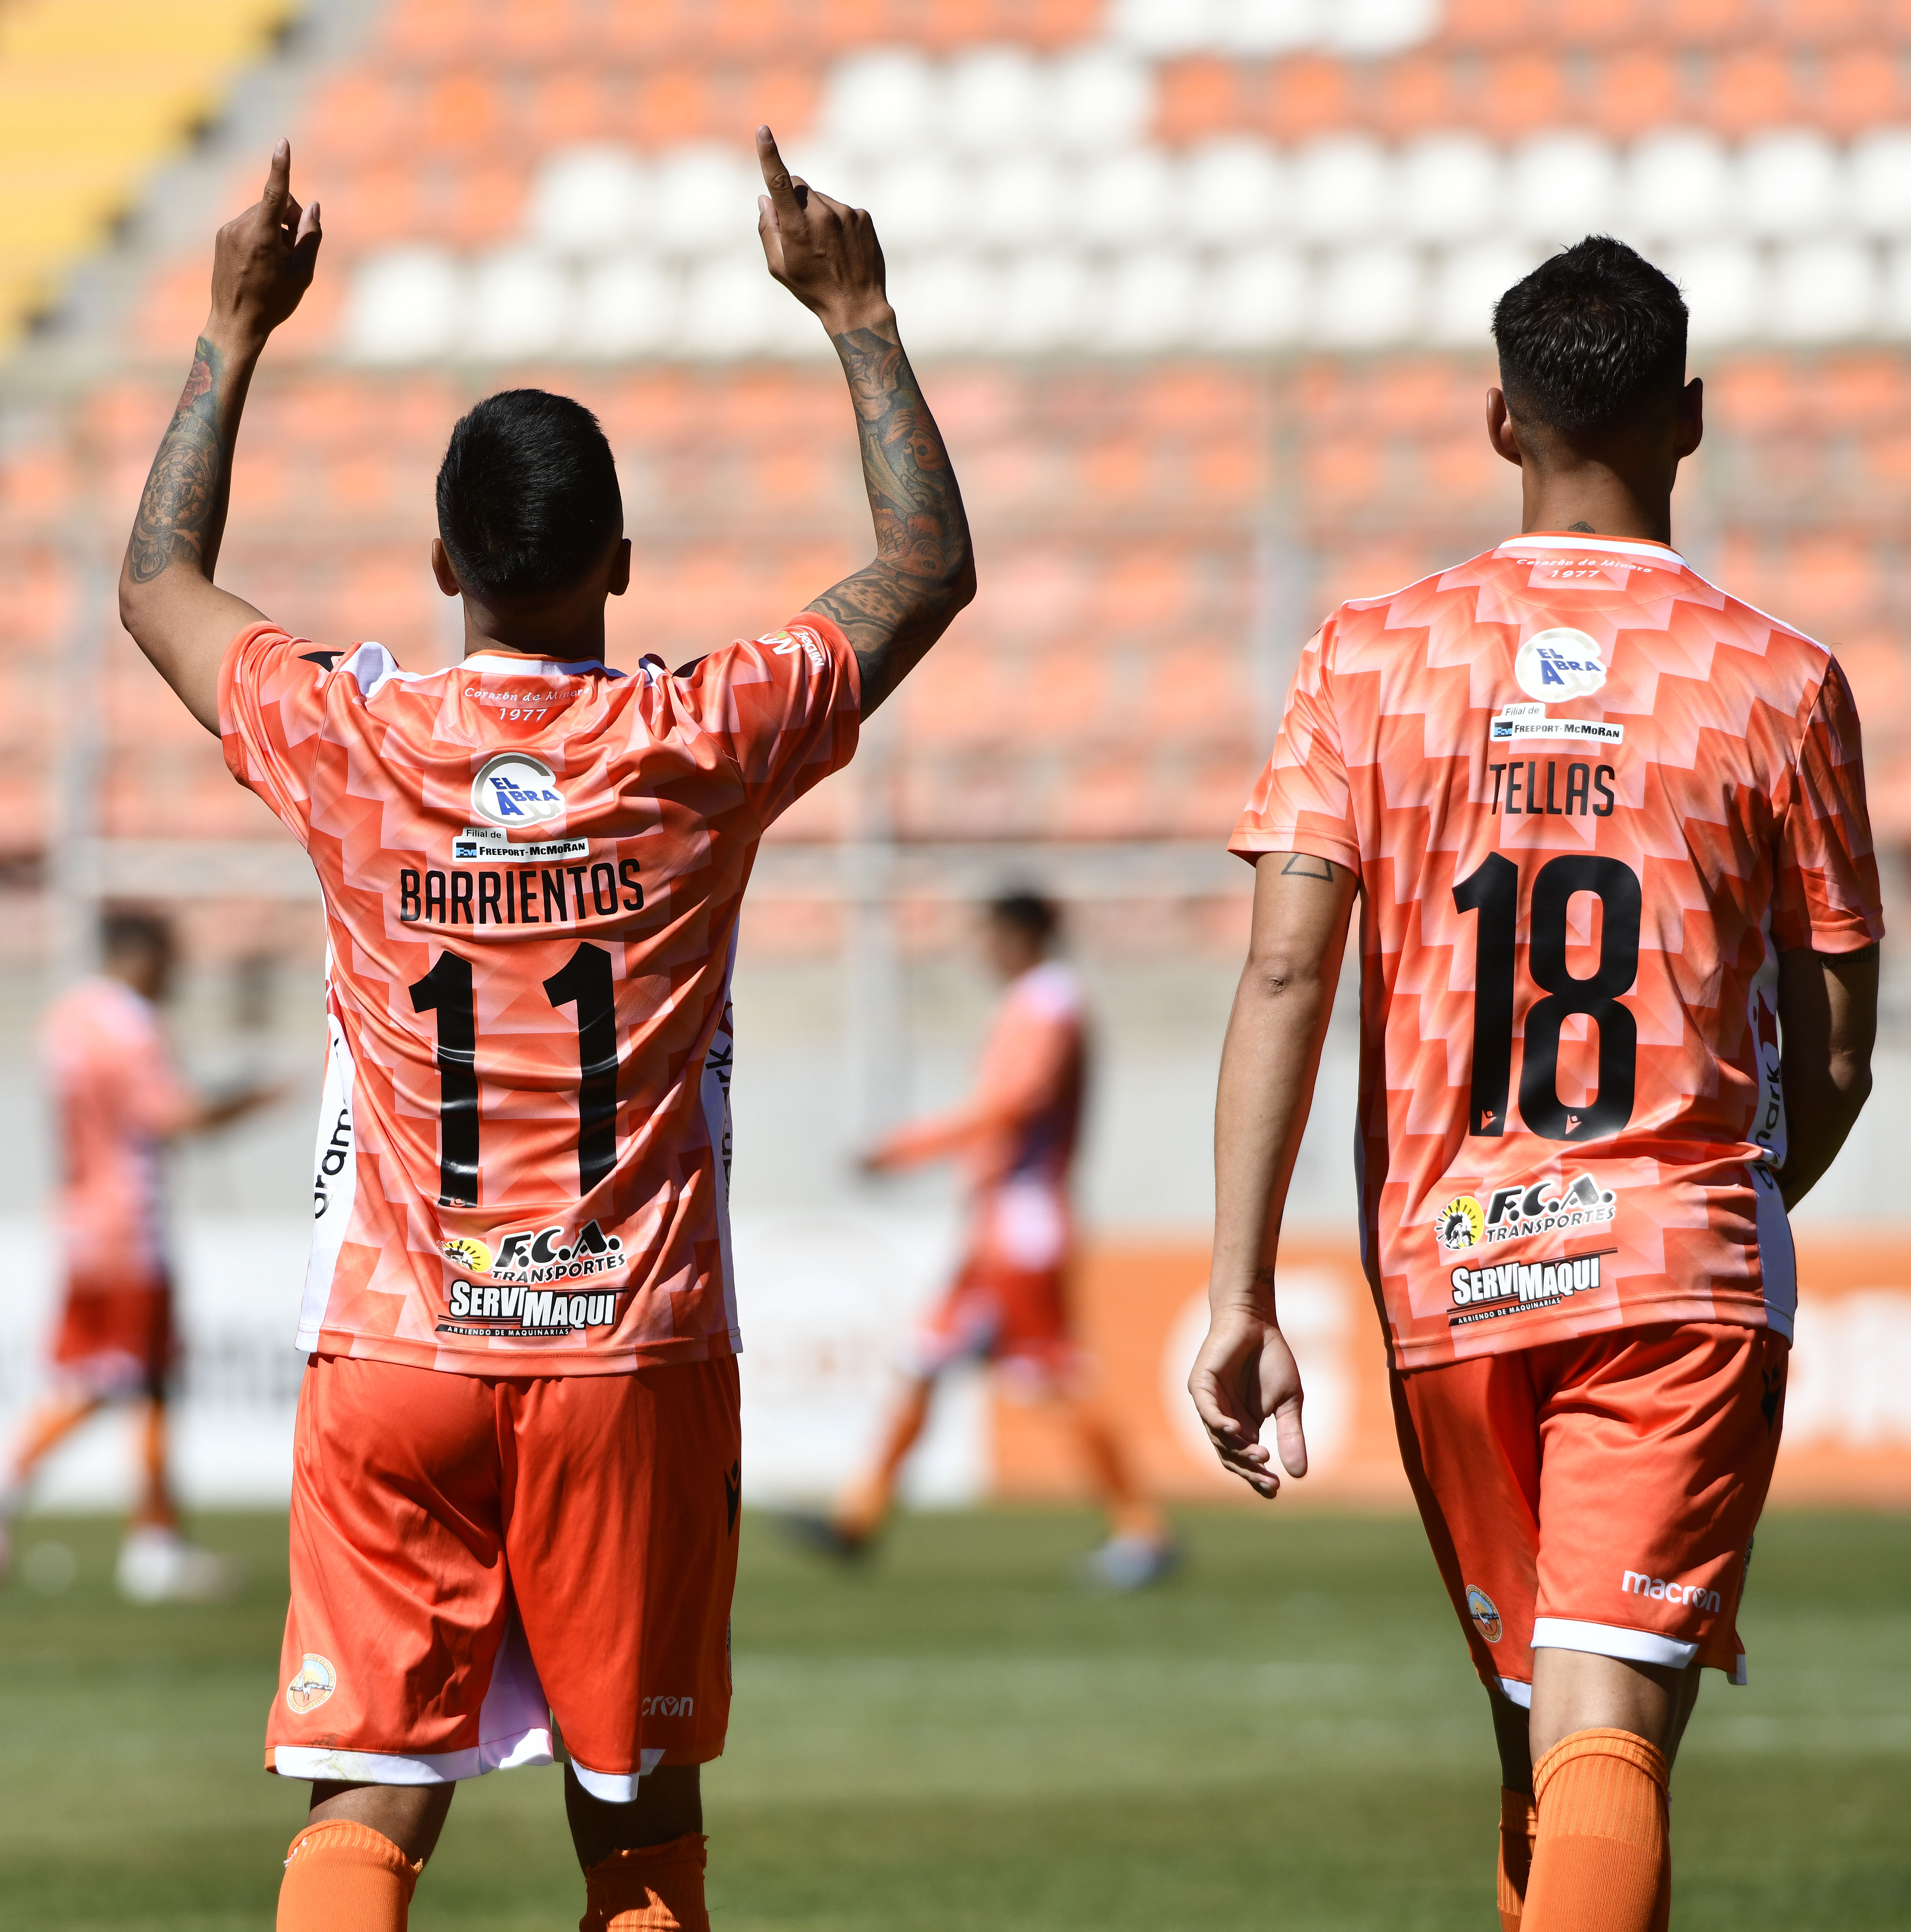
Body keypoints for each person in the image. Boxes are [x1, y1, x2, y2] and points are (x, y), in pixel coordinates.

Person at [117, 131, 975, 1932]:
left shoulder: (353, 738)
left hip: (395, 1347)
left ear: (441, 559)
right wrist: (859, 313)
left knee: (369, 1803)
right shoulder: (697, 737)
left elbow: (155, 587)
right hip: (627, 1358)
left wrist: (230, 329)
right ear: (623, 563)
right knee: (637, 1816)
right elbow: (921, 565)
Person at [1190, 236, 1879, 1932]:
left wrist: (1233, 1288)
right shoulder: (1776, 680)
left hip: (1448, 1269)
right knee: (1593, 1736)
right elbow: (1843, 1041)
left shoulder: (1369, 657)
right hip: (1670, 1256)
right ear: (1689, 421)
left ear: (1497, 422)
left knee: (1539, 1729)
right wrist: (1711, 1213)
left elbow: (1283, 969)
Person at [793, 889, 1173, 1587]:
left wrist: (905, 1148)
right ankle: (858, 1517)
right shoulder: (1034, 1003)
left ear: (1020, 935)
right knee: (926, 1355)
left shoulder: (1051, 1002)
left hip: (1024, 1224)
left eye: (990, 936)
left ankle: (1143, 1530)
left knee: (1056, 1373)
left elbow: (1013, 1102)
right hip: (998, 1221)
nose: (981, 952)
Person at [0, 903, 278, 1601]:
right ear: (141, 956)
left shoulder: (66, 1021)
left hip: (81, 1223)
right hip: (132, 1228)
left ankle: (132, 1536)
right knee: (126, 1380)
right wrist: (254, 1100)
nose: (177, 976)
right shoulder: (132, 1027)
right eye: (170, 960)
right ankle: (113, 1538)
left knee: (126, 1379)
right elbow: (173, 1117)